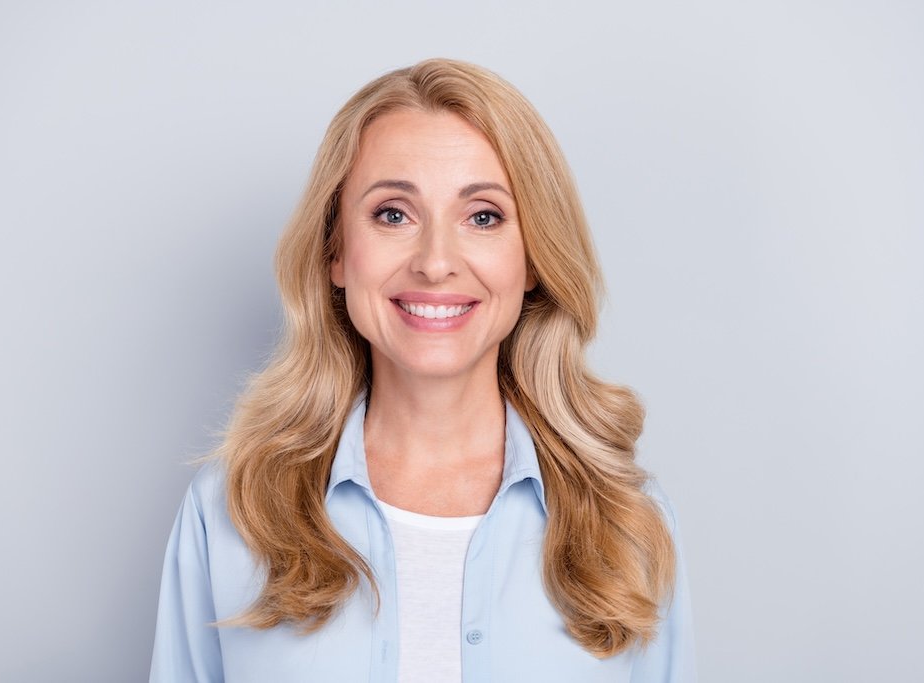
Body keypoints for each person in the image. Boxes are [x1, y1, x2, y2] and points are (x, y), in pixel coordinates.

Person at [150, 58, 695, 682]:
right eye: (392, 214)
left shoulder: (630, 521)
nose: (436, 263)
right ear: (335, 253)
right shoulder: (230, 511)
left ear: (534, 259)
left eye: (483, 216)